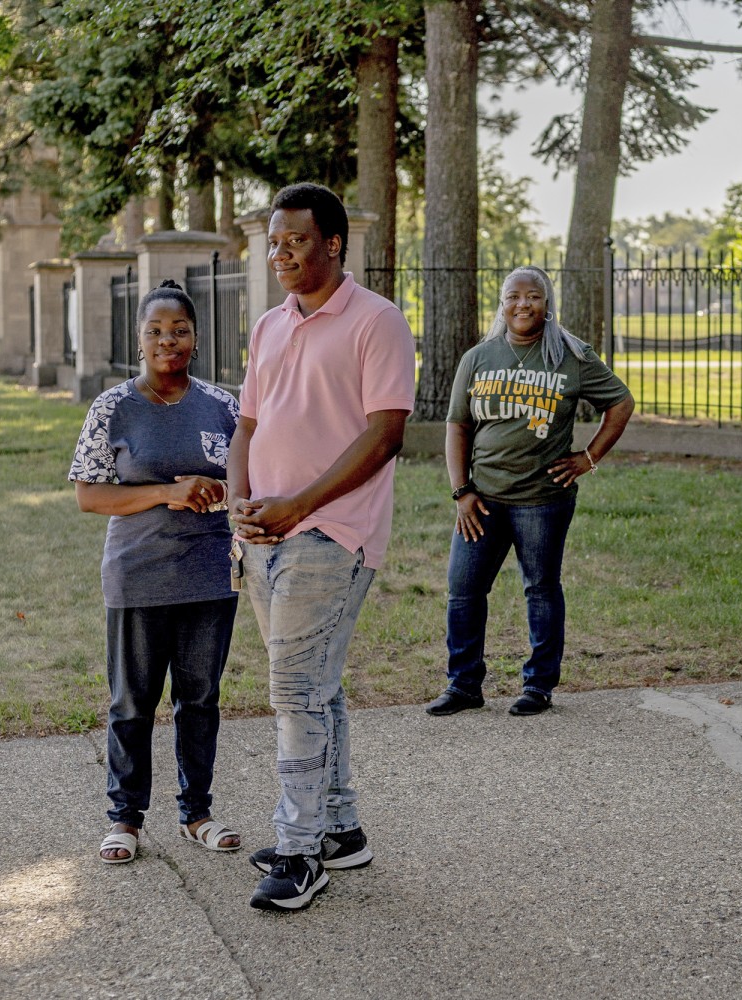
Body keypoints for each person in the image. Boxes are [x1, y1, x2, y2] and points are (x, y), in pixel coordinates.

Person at [228, 183, 415, 912]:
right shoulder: (270, 325)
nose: (280, 253)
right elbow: (247, 423)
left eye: (295, 241)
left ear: (333, 243)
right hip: (263, 535)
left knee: (293, 693)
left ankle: (300, 853)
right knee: (316, 686)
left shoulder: (377, 321)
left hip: (331, 534)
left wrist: (298, 505)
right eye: (274, 242)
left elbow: (386, 432)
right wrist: (242, 505)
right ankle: (339, 830)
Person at [70, 280, 243, 865]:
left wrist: (222, 490)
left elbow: (252, 478)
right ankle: (125, 818)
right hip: (138, 574)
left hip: (211, 574)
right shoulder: (114, 406)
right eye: (156, 331)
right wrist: (171, 491)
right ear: (138, 340)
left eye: (180, 330)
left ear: (196, 338)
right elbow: (90, 497)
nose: (168, 340)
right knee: (132, 702)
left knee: (200, 698)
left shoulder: (224, 405)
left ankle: (197, 813)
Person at [425, 266, 634, 719]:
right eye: (514, 296)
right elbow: (458, 425)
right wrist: (461, 490)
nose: (524, 304)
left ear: (547, 303)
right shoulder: (478, 358)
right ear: (502, 303)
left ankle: (538, 686)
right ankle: (463, 685)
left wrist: (588, 458)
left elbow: (620, 402)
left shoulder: (571, 356)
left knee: (540, 588)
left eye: (534, 296)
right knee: (463, 590)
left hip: (543, 500)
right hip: (482, 498)